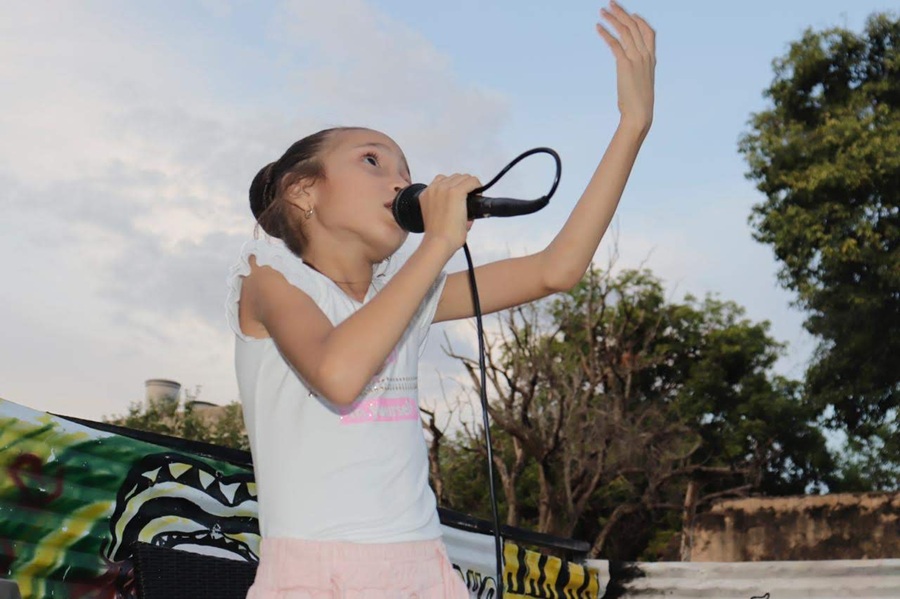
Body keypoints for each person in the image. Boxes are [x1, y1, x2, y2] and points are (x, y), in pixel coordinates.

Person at [226, 1, 655, 596]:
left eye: (406, 170)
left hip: (423, 567)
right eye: (372, 161)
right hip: (319, 575)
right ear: (303, 193)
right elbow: (338, 373)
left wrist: (632, 124)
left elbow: (557, 270)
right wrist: (443, 242)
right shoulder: (268, 276)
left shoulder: (404, 294)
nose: (402, 181)